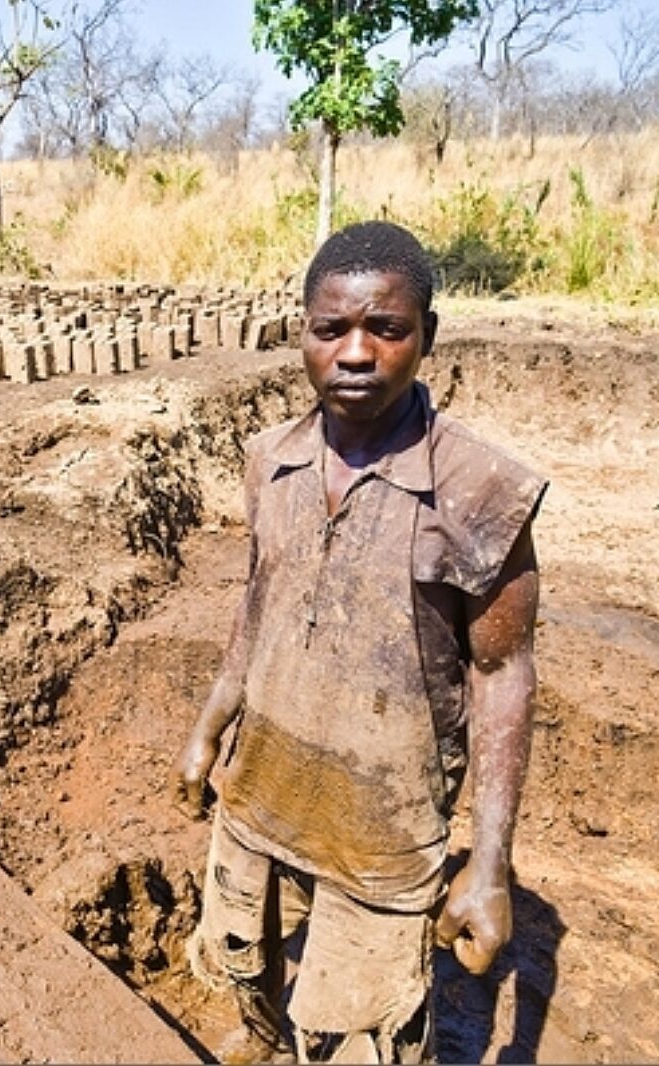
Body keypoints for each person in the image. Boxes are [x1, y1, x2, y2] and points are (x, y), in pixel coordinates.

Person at [173, 220, 546, 1064]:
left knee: (354, 1033)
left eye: (386, 329)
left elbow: (503, 672)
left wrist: (489, 866)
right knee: (248, 965)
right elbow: (257, 605)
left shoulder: (478, 490)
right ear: (299, 333)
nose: (354, 353)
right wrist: (208, 727)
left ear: (428, 337)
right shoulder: (270, 458)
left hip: (383, 829)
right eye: (330, 328)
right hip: (261, 791)